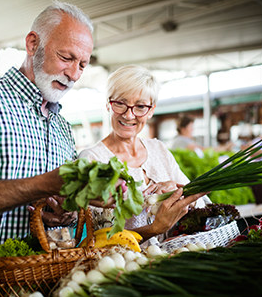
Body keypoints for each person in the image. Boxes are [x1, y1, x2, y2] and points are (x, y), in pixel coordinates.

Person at [0, 2, 96, 296]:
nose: (74, 74)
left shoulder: (63, 127)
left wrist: (65, 213)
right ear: (33, 43)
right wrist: (42, 185)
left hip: (46, 287)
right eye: (66, 57)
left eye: (83, 64)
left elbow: (61, 210)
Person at [79, 65, 211, 245]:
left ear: (151, 111)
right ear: (108, 104)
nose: (129, 115)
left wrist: (177, 192)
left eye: (140, 106)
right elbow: (97, 239)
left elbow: (202, 202)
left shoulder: (159, 150)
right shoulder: (92, 159)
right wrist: (154, 229)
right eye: (120, 103)